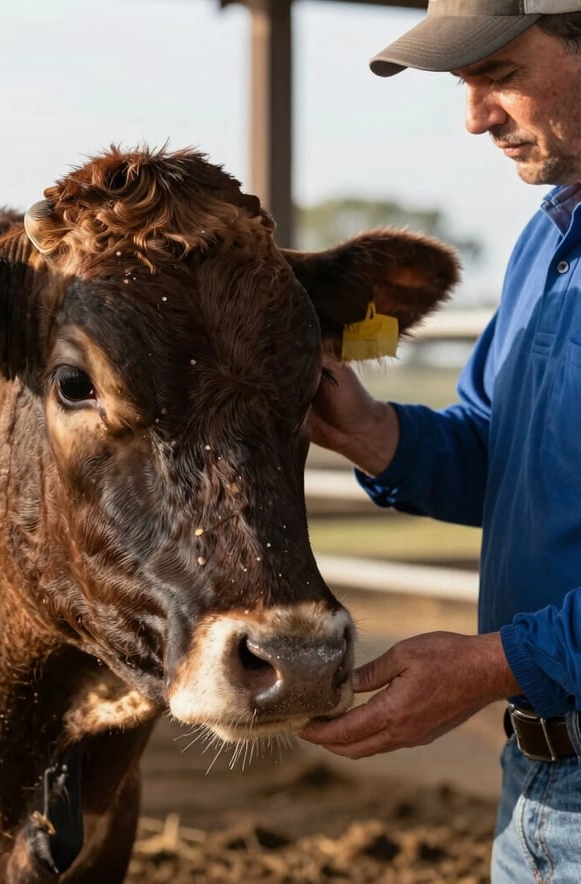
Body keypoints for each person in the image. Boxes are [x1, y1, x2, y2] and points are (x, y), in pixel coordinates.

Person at [297, 2, 581, 881]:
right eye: (463, 83)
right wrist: (379, 435)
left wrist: (499, 661)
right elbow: (515, 460)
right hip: (538, 774)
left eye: (499, 74)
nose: (473, 116)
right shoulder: (549, 239)